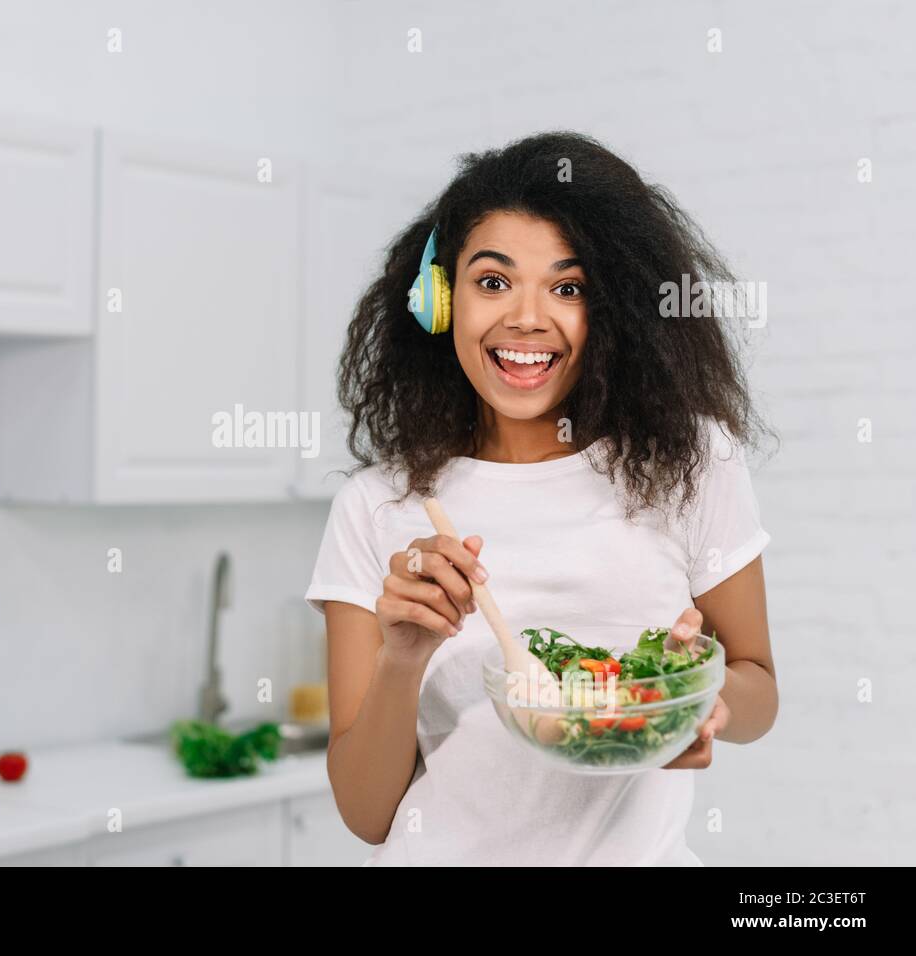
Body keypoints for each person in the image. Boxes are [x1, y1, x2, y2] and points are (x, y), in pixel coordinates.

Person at [306, 131, 777, 866]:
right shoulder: (376, 507)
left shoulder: (691, 463)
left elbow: (760, 690)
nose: (526, 317)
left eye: (569, 286)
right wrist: (404, 657)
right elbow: (367, 816)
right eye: (493, 282)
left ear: (615, 309)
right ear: (440, 299)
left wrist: (697, 700)